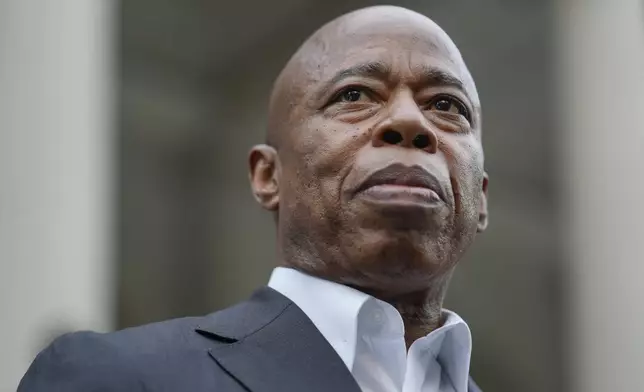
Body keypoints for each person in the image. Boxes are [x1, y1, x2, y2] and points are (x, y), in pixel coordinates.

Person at [18, 5, 488, 392]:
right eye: (355, 94)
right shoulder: (108, 377)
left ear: (480, 197)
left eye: (446, 106)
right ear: (268, 176)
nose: (409, 122)